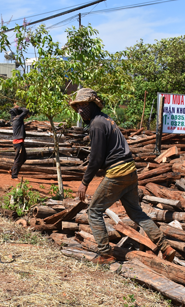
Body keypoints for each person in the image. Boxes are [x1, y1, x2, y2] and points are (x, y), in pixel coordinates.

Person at [70, 88, 176, 264]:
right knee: (137, 213)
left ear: (92, 105)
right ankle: (166, 247)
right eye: (78, 106)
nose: (80, 110)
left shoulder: (96, 124)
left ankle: (105, 254)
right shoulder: (106, 119)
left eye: (83, 105)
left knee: (94, 211)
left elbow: (96, 159)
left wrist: (84, 182)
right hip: (130, 171)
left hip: (117, 172)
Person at [9, 103, 31, 179]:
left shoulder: (14, 119)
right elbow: (26, 110)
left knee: (23, 157)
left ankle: (12, 170)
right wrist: (19, 107)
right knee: (18, 159)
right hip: (18, 142)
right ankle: (14, 176)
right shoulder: (17, 119)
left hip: (18, 142)